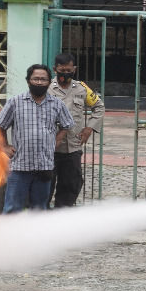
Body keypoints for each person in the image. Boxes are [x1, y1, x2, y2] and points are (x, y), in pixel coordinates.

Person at [0, 64, 74, 213]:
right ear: (28, 80)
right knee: (13, 208)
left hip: (44, 166)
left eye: (43, 79)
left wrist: (58, 139)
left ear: (49, 82)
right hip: (20, 166)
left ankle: (35, 236)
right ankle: (10, 236)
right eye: (35, 78)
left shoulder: (57, 104)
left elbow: (67, 124)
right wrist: (4, 146)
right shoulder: (15, 102)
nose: (39, 82)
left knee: (39, 210)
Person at [48, 53, 104, 208]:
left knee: (71, 183)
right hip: (50, 146)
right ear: (55, 69)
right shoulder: (47, 88)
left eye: (69, 70)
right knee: (46, 183)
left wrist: (89, 128)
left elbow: (99, 107)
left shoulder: (81, 88)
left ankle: (63, 214)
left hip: (73, 145)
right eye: (62, 70)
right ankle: (41, 216)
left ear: (74, 69)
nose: (65, 73)